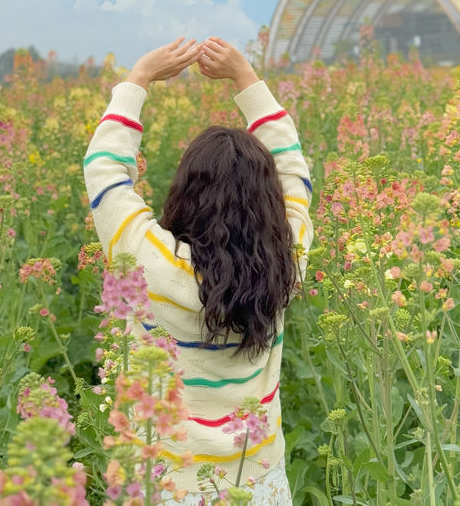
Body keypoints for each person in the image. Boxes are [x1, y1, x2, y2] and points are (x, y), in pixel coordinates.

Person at [83, 36, 314, 505]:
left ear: (184, 192)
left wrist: (139, 78)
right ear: (268, 200)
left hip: (165, 483)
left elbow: (104, 171)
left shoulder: (150, 261)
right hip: (261, 481)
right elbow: (293, 170)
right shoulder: (285, 261)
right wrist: (245, 77)